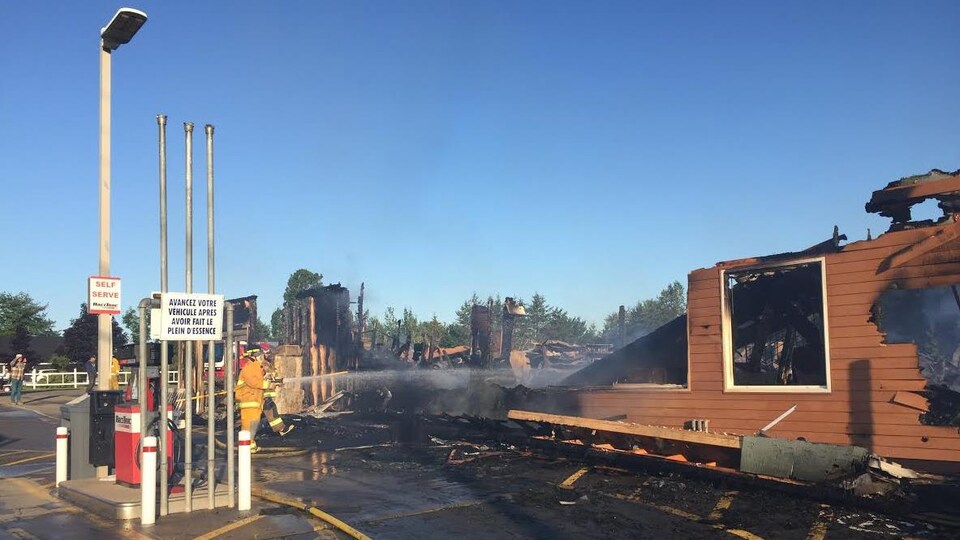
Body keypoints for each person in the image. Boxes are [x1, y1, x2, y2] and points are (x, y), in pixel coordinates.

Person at [234, 345, 271, 453]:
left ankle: (250, 444)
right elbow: (254, 382)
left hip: (253, 401)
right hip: (248, 401)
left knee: (252, 423)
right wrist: (268, 385)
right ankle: (247, 446)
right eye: (261, 355)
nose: (263, 357)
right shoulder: (251, 367)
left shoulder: (255, 367)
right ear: (256, 356)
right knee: (249, 423)